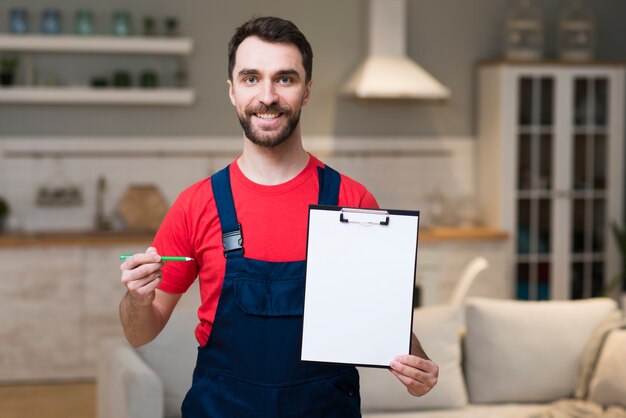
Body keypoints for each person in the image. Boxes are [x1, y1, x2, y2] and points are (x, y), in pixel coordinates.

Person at [119, 15, 438, 417]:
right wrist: (136, 298)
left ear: (306, 91)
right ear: (232, 91)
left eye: (285, 79)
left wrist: (418, 367)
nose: (267, 96)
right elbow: (138, 332)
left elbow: (383, 327)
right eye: (251, 78)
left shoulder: (351, 201)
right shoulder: (196, 205)